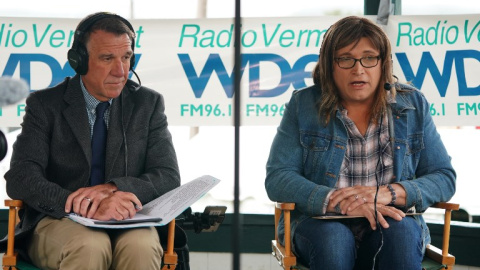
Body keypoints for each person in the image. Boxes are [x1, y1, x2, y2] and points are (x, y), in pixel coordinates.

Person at [265, 16, 456, 270]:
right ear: (329, 65)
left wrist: (387, 193)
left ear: (383, 63)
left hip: (392, 220)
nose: (359, 69)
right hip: (321, 222)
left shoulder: (412, 105)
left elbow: (443, 177)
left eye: (369, 57)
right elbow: (278, 177)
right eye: (345, 59)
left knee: (400, 236)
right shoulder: (303, 105)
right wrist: (338, 200)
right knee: (334, 240)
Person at [1, 12, 181, 270]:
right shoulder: (44, 105)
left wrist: (111, 189)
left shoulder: (148, 104)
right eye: (107, 58)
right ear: (79, 61)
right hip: (60, 218)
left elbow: (167, 176)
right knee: (89, 246)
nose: (121, 71)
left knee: (142, 247)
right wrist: (83, 204)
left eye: (127, 58)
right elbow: (21, 176)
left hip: (129, 221)